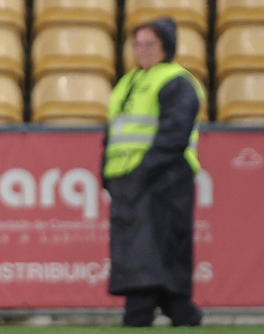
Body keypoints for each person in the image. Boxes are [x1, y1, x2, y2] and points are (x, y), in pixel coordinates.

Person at [101, 17, 204, 327]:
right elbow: (113, 134)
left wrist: (143, 171)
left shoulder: (176, 81)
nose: (142, 51)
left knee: (149, 251)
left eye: (150, 44)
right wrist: (108, 176)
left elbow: (175, 135)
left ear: (166, 47)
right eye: (138, 44)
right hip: (131, 181)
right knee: (143, 252)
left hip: (164, 179)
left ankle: (143, 312)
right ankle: (179, 311)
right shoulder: (126, 82)